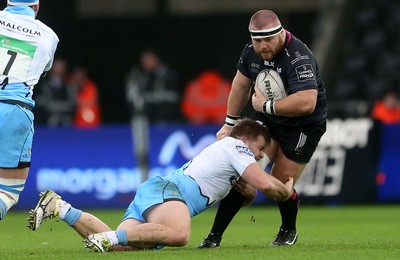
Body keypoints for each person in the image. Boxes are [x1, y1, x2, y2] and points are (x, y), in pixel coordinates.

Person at [27, 119, 294, 252]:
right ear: (246, 139)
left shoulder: (231, 153)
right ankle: (108, 237)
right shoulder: (236, 146)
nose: (260, 155)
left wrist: (248, 194)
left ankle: (60, 208)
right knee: (179, 234)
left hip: (159, 192)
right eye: (260, 148)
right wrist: (286, 190)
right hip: (170, 191)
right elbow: (265, 184)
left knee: (123, 247)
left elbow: (251, 192)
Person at [198, 10, 327, 248]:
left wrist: (264, 105)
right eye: (258, 40)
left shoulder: (298, 57)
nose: (263, 45)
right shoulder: (250, 52)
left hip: (303, 126)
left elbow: (307, 103)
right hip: (270, 119)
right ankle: (214, 237)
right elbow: (240, 85)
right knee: (243, 176)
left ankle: (288, 230)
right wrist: (229, 123)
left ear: (280, 33)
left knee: (278, 183)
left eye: (268, 39)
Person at [0, 0, 58, 220]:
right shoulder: (48, 36)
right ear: (36, 7)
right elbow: (44, 70)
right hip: (15, 111)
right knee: (7, 191)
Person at [125, 49, 183, 124]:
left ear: (156, 59)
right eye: (144, 61)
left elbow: (171, 101)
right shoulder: (139, 77)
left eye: (149, 59)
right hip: (146, 122)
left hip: (167, 122)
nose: (146, 63)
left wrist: (163, 120)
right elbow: (133, 100)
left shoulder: (169, 77)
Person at [34, 57, 76, 127]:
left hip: (65, 121)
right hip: (46, 122)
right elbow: (41, 102)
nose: (59, 68)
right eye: (57, 66)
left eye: (61, 66)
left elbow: (72, 103)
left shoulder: (69, 84)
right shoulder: (42, 84)